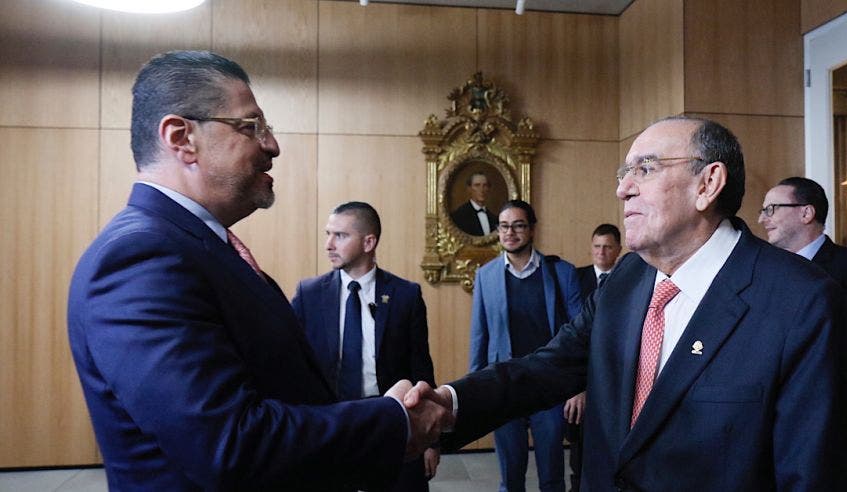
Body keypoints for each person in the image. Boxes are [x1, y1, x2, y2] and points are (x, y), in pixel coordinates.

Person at [66, 50, 446, 491]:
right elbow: (228, 443)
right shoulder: (140, 257)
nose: (272, 145)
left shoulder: (200, 248)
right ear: (181, 137)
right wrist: (391, 421)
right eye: (252, 127)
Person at [409, 116, 842, 490]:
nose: (623, 189)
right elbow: (548, 367)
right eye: (624, 172)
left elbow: (809, 474)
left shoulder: (799, 301)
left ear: (708, 183)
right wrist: (451, 404)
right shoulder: (627, 278)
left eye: (645, 169)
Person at [291, 201, 440, 491]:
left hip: (391, 423)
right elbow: (293, 363)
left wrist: (431, 442)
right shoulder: (309, 295)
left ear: (369, 241)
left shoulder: (406, 295)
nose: (328, 245)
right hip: (330, 427)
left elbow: (421, 367)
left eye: (340, 236)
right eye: (327, 234)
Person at [758, 176, 847, 489]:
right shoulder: (760, 270)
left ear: (806, 213)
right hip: (763, 423)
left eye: (771, 209)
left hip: (830, 424)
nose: (762, 219)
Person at [469, 199, 582, 492]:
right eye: (504, 226)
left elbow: (583, 334)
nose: (510, 232)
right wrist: (474, 389)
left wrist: (580, 388)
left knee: (552, 476)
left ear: (531, 230)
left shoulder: (562, 272)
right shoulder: (486, 276)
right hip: (504, 386)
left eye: (518, 225)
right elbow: (479, 335)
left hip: (548, 386)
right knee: (511, 477)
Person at [567, 223, 621, 491]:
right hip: (580, 375)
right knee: (579, 453)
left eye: (607, 247)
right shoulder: (574, 279)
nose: (601, 252)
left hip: (616, 377)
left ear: (618, 250)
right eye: (597, 246)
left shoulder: (628, 280)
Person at [451, 171, 499, 235]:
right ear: (469, 189)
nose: (481, 190)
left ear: (488, 189)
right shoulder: (459, 216)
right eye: (477, 185)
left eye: (485, 185)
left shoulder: (494, 219)